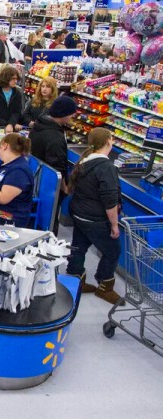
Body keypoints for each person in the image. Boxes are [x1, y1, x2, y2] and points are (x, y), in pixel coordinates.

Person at [65, 127, 123, 304]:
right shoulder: (106, 167)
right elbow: (109, 201)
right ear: (108, 142)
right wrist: (114, 225)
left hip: (79, 213)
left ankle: (76, 280)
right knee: (113, 251)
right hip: (95, 218)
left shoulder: (84, 162)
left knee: (78, 246)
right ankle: (105, 286)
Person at [29, 95, 78, 234]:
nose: (71, 118)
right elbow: (57, 167)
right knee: (49, 222)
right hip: (49, 187)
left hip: (36, 177)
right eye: (70, 115)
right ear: (63, 114)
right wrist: (64, 188)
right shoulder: (55, 137)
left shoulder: (39, 125)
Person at [0, 65, 24, 132]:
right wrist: (7, 124)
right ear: (6, 78)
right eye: (13, 79)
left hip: (12, 128)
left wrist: (11, 124)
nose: (15, 81)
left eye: (16, 79)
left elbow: (17, 112)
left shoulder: (17, 93)